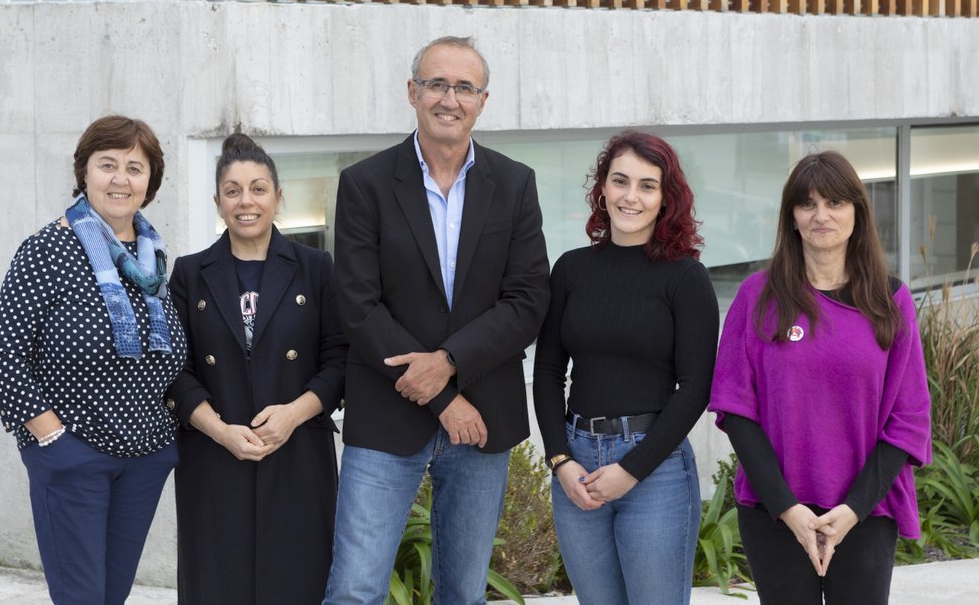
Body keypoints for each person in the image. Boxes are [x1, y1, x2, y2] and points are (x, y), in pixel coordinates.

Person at [324, 35, 550, 604]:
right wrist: (444, 398)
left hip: (484, 417)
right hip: (387, 412)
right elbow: (357, 305)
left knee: (464, 594)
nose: (450, 99)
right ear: (412, 92)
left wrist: (449, 362)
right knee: (354, 590)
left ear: (483, 100)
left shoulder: (515, 183)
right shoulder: (365, 183)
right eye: (436, 84)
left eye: (464, 87)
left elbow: (527, 300)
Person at [709, 151, 932, 605]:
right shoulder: (757, 296)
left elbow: (909, 419)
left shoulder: (889, 300)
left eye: (835, 202)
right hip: (775, 512)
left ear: (857, 211)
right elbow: (735, 408)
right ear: (791, 216)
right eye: (807, 204)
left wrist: (852, 510)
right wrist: (788, 509)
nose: (821, 215)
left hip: (864, 512)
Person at [0, 115, 186, 605]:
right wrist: (51, 437)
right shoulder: (47, 250)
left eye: (135, 168)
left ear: (150, 182)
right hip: (74, 452)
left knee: (112, 594)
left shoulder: (152, 259)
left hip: (145, 455)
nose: (121, 179)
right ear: (85, 172)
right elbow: (4, 354)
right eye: (107, 164)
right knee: (81, 597)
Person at [532, 130, 719, 604]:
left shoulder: (686, 278)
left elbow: (696, 386)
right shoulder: (571, 269)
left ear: (666, 199)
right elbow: (548, 371)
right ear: (602, 188)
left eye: (647, 185)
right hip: (577, 465)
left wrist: (631, 470)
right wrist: (560, 460)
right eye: (620, 181)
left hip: (655, 468)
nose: (630, 196)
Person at [168, 133, 346, 605]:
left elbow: (340, 359)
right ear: (218, 202)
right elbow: (175, 371)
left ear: (278, 197)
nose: (246, 201)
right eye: (233, 191)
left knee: (297, 582)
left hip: (296, 454)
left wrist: (292, 415)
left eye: (258, 188)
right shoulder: (189, 273)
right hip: (213, 457)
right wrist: (220, 430)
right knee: (216, 585)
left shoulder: (316, 267)